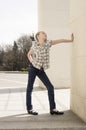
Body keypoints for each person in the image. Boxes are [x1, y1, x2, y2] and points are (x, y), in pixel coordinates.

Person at [26, 31, 74, 115]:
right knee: (29, 88)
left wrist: (70, 40)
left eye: (45, 34)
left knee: (50, 87)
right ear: (38, 36)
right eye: (43, 33)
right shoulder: (34, 45)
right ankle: (29, 109)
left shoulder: (48, 43)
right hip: (33, 68)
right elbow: (29, 54)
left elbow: (61, 40)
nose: (45, 34)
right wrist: (32, 61)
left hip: (41, 69)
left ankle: (53, 109)